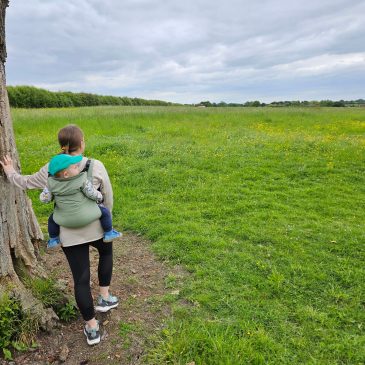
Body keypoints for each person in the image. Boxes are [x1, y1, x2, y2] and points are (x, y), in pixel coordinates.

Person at [0, 124, 119, 346]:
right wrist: (106, 220)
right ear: (82, 143)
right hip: (95, 226)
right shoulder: (96, 165)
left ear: (62, 146)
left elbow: (25, 183)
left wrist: (9, 172)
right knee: (106, 253)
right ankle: (104, 297)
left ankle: (92, 329)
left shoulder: (51, 168)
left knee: (81, 280)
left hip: (68, 232)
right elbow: (107, 196)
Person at [41, 153, 121, 248]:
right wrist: (100, 197)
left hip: (64, 220)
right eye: (75, 167)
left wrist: (48, 192)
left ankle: (53, 239)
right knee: (105, 212)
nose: (78, 169)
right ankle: (109, 233)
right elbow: (92, 193)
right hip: (86, 216)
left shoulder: (50, 184)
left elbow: (45, 199)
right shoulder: (82, 180)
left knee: (51, 219)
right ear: (66, 174)